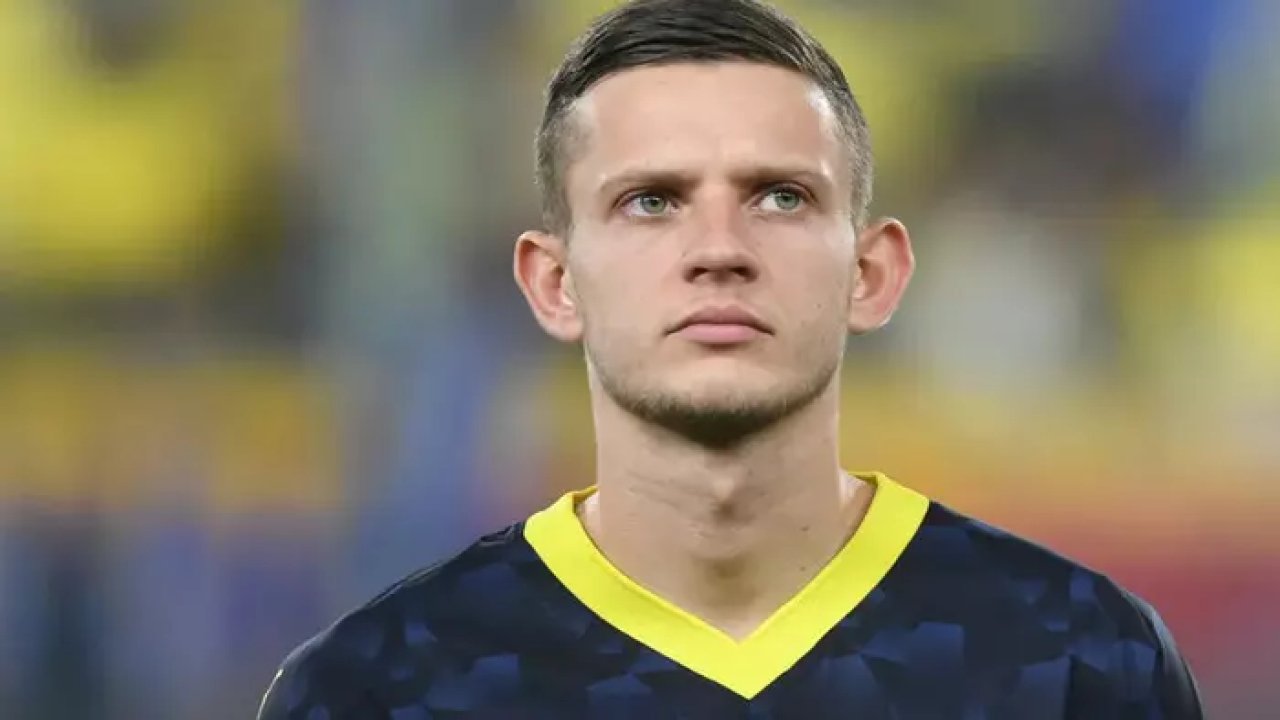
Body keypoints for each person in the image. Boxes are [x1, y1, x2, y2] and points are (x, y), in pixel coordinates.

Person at [258, 0, 1204, 716]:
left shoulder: (1081, 660)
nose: (719, 249)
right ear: (554, 283)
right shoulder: (376, 687)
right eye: (651, 202)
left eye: (780, 197)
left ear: (872, 273)